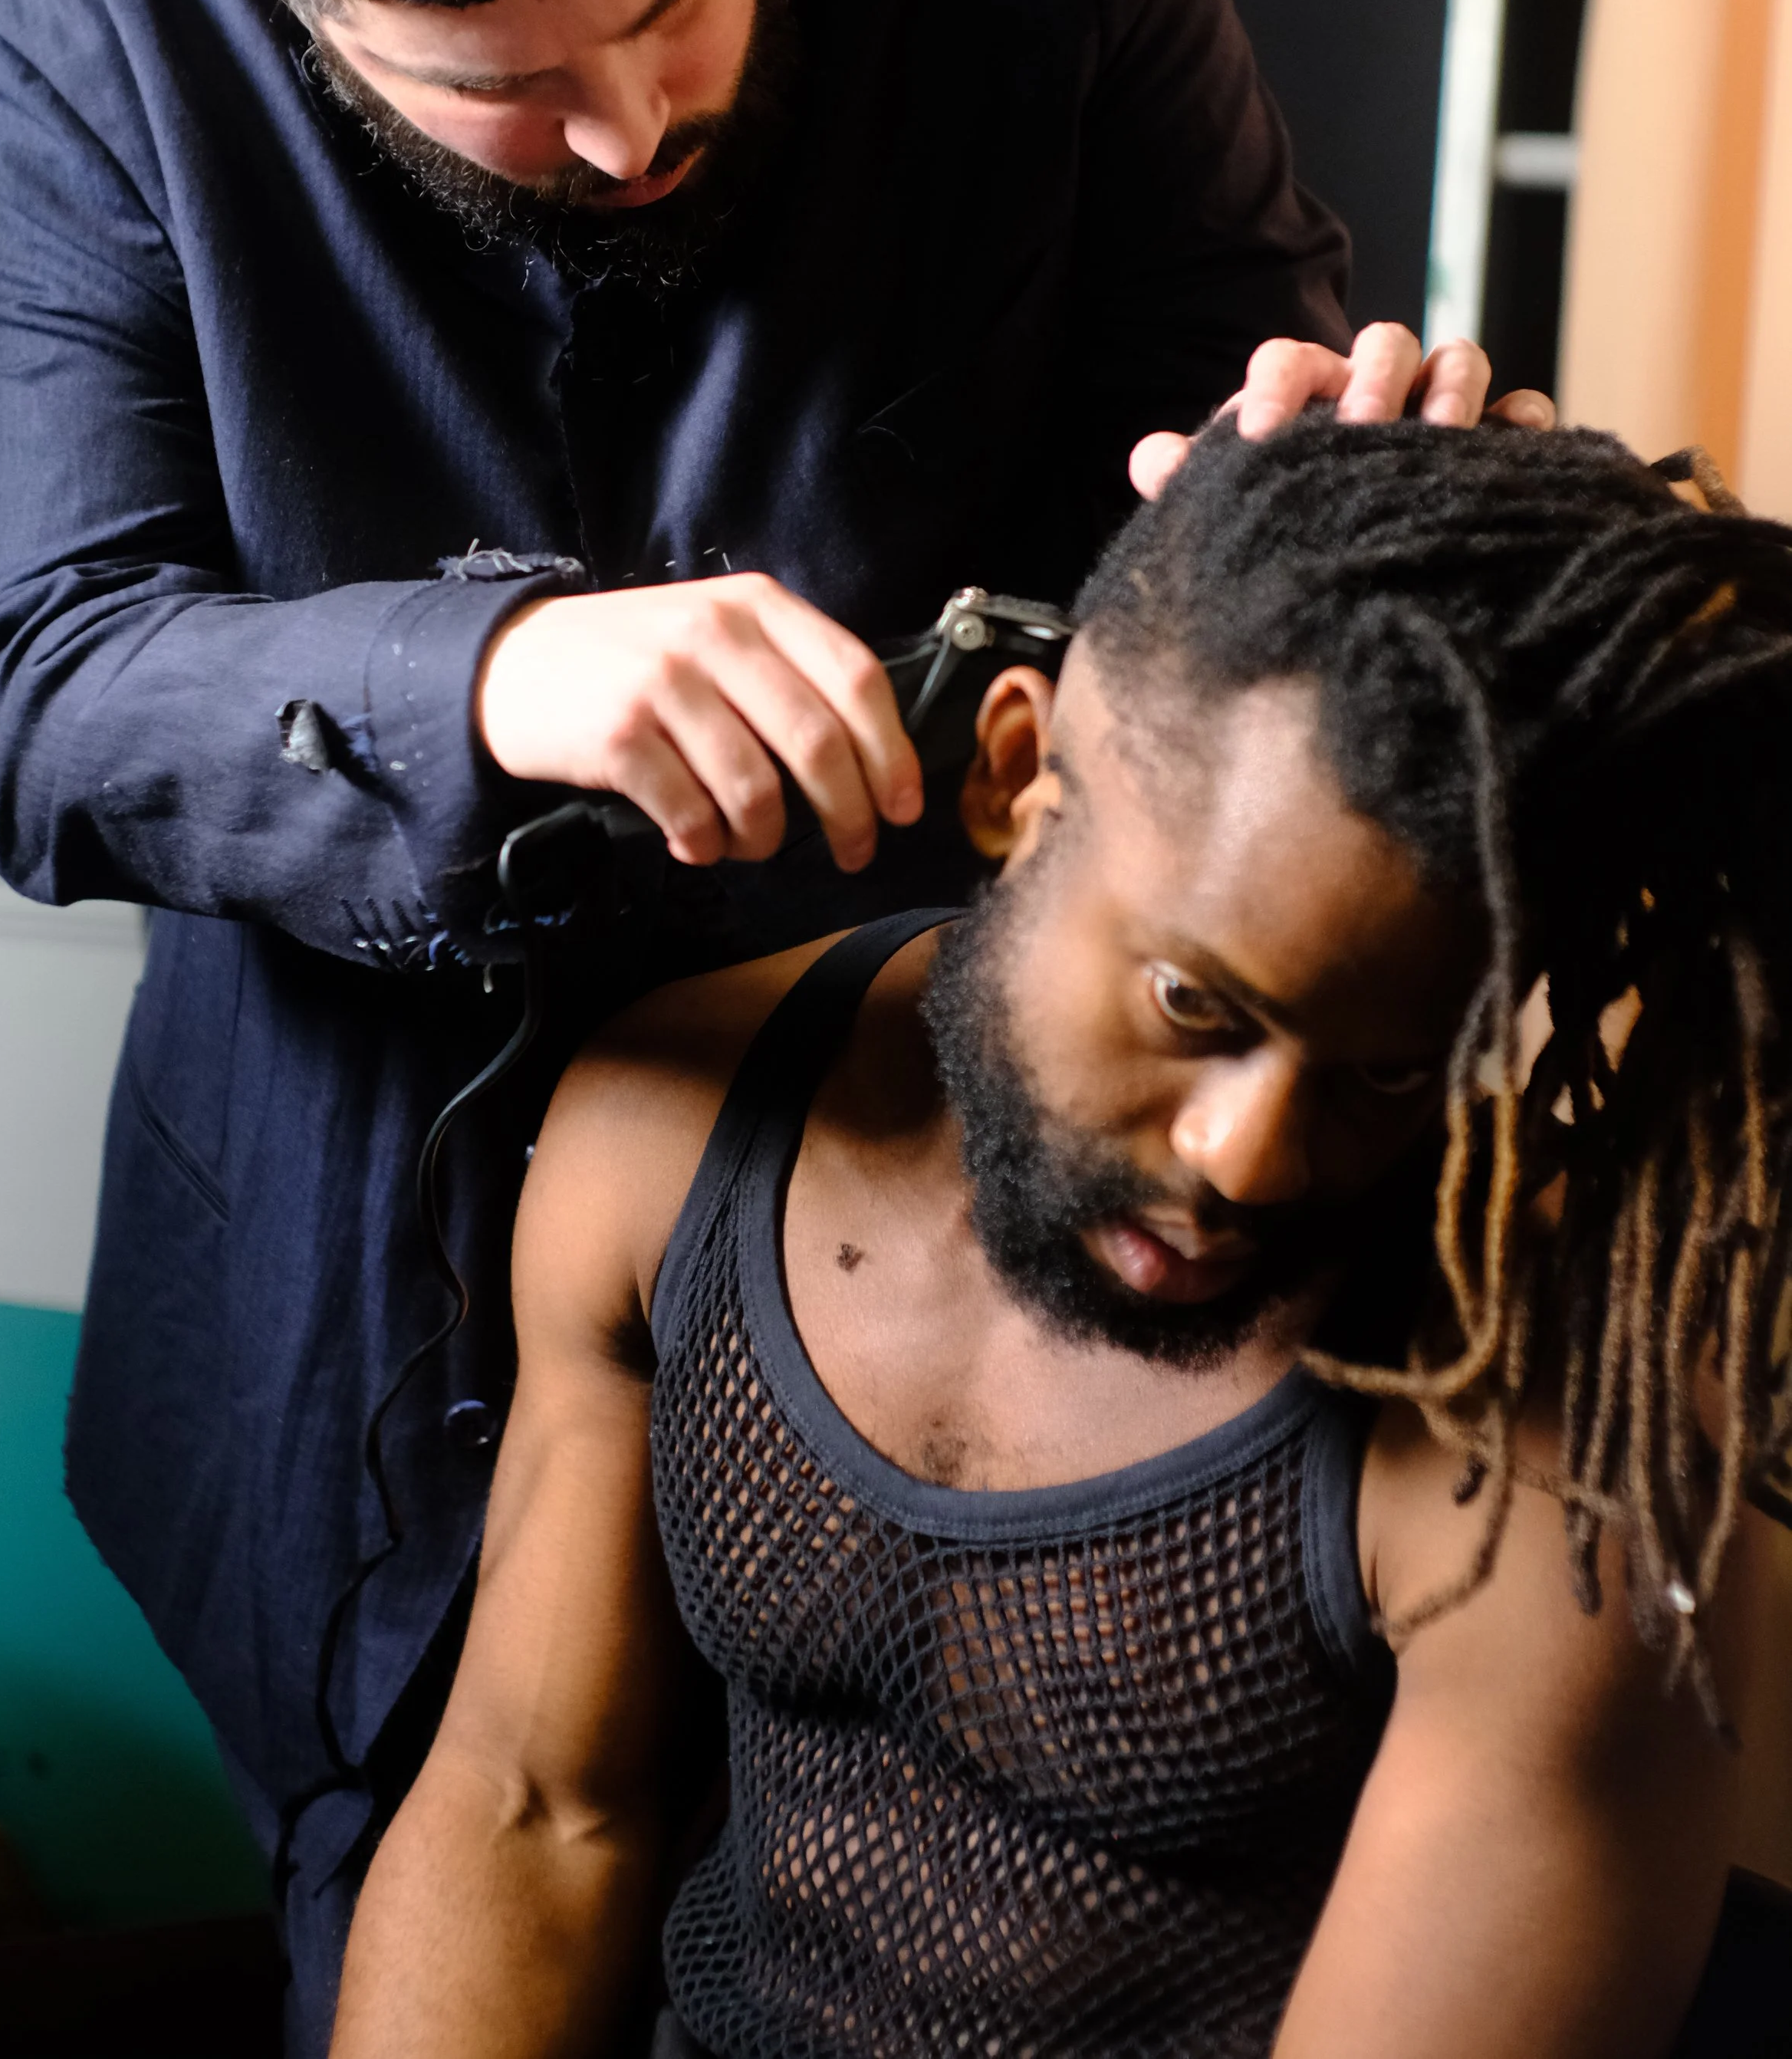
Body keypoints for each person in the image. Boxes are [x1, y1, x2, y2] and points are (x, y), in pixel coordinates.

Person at [0, 0, 1538, 2039]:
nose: (629, 132)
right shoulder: (95, 25)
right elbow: (32, 690)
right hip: (364, 1325)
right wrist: (489, 684)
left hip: (942, 1228)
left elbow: (1212, 486)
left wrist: (1346, 484)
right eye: (496, 96)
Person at [330, 416, 1792, 2059]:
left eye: (1391, 1065)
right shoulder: (666, 1140)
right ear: (1015, 776)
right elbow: (533, 1816)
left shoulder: (1543, 1436)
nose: (1249, 1158)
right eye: (1193, 1002)